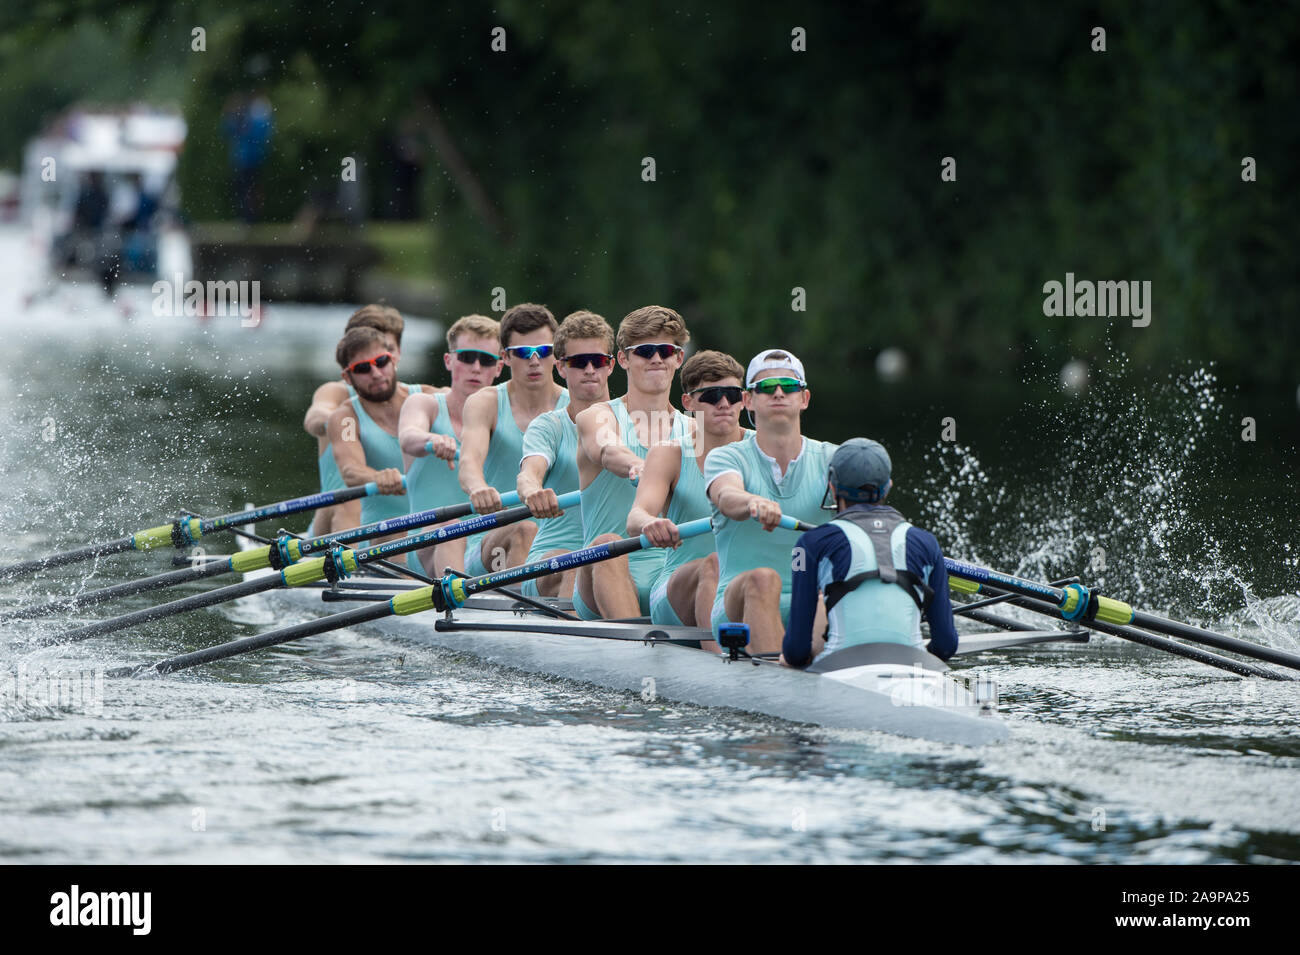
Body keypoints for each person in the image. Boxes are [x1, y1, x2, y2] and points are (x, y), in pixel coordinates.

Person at [780, 438, 959, 667]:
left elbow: (796, 650)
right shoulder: (927, 543)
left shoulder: (809, 544)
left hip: (839, 671)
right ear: (889, 486)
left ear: (832, 487)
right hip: (913, 667)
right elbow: (946, 646)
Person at [704, 349, 837, 654]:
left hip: (815, 604)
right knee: (764, 579)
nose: (778, 392)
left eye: (789, 386)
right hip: (738, 603)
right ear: (749, 400)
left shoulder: (835, 457)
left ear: (803, 399)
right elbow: (726, 495)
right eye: (765, 387)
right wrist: (752, 502)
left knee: (838, 588)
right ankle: (786, 679)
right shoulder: (726, 456)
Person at [573, 306, 691, 619]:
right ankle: (633, 648)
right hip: (603, 574)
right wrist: (643, 468)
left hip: (669, 578)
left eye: (666, 350)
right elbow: (609, 449)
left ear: (678, 359)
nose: (656, 359)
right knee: (608, 543)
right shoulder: (597, 416)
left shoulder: (695, 430)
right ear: (623, 359)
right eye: (645, 351)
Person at [627, 350, 748, 635]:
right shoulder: (669, 454)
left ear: (745, 400)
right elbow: (635, 518)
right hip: (677, 594)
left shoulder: (761, 448)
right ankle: (719, 662)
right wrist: (651, 523)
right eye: (711, 395)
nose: (723, 403)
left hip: (747, 584)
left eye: (733, 394)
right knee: (714, 565)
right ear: (688, 402)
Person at [458, 303, 568, 575]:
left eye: (543, 351)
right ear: (505, 357)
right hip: (491, 544)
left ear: (556, 355)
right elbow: (469, 463)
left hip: (559, 544)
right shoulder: (485, 403)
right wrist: (478, 489)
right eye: (523, 353)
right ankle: (524, 614)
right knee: (525, 529)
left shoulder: (576, 406)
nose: (534, 361)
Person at [515, 310, 616, 598]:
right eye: (578, 362)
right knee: (577, 562)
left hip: (619, 556)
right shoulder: (549, 426)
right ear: (560, 367)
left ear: (610, 366)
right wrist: (533, 491)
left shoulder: (634, 422)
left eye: (597, 361)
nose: (589, 370)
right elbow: (529, 473)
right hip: (556, 557)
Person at [397, 314, 503, 575]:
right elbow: (409, 436)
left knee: (525, 530)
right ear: (449, 360)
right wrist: (431, 439)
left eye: (487, 360)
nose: (476, 367)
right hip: (427, 544)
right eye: (467, 357)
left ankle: (528, 612)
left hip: (483, 549)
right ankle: (459, 608)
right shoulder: (425, 405)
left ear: (499, 368)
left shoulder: (508, 415)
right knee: (452, 526)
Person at [303, 305, 412, 535]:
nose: (374, 369)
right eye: (363, 364)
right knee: (349, 500)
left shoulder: (419, 400)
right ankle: (349, 568)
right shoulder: (338, 394)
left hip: (392, 527)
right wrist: (344, 426)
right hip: (336, 524)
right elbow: (315, 417)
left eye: (382, 356)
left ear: (396, 354)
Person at [326, 326, 426, 540]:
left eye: (381, 362)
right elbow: (351, 471)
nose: (376, 373)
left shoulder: (431, 398)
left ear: (393, 360)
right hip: (384, 537)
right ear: (347, 377)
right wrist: (378, 477)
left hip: (442, 527)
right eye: (363, 368)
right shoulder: (347, 419)